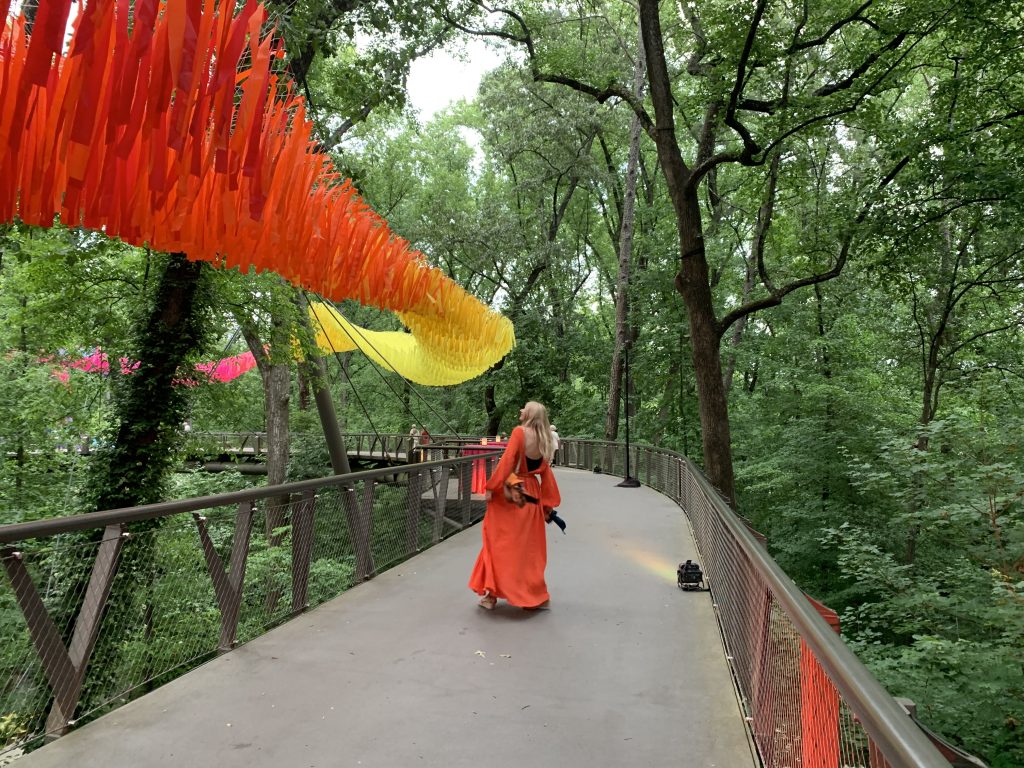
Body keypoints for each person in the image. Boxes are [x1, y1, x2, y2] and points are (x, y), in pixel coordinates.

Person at [469, 401, 561, 610]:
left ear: (530, 414)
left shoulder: (520, 432)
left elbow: (508, 462)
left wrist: (491, 486)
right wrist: (547, 504)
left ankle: (490, 595)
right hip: (532, 493)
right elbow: (546, 473)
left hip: (513, 490)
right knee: (528, 549)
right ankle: (531, 595)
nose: (520, 410)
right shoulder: (545, 438)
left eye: (524, 408)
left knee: (496, 542)